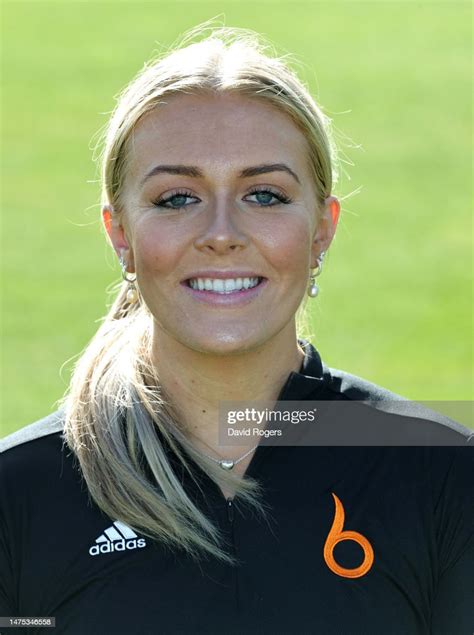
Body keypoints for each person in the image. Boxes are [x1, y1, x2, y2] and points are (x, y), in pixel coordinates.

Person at [0, 24, 472, 635]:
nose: (221, 233)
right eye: (176, 198)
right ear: (121, 234)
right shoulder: (20, 496)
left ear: (322, 230)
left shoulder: (442, 474)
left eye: (265, 195)